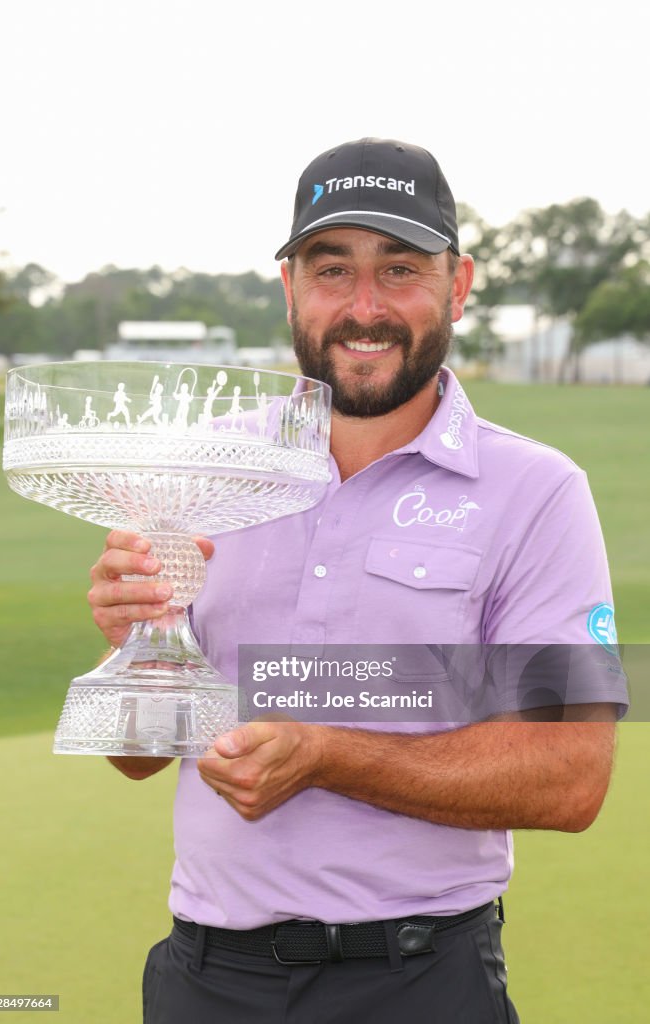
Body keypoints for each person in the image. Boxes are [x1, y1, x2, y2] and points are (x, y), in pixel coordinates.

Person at [87, 138, 627, 1023]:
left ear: (457, 286)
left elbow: (570, 778)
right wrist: (133, 645)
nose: (363, 307)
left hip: (420, 981)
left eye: (400, 269)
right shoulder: (198, 473)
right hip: (203, 978)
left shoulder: (538, 491)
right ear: (289, 288)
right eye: (331, 269)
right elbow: (138, 756)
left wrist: (328, 757)